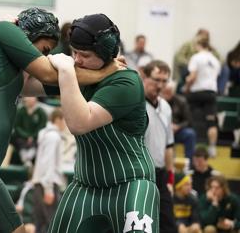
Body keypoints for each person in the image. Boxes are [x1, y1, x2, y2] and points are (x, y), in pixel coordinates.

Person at [0, 8, 121, 233]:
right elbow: (50, 75)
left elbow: (53, 84)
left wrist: (96, 76)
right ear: (27, 37)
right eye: (44, 50)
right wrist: (109, 72)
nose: (44, 57)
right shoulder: (1, 30)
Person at [45, 14, 158, 233]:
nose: (77, 59)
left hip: (131, 184)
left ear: (107, 54)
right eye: (73, 52)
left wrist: (65, 70)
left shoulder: (126, 81)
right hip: (85, 185)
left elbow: (79, 122)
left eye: (84, 54)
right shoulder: (80, 74)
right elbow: (27, 85)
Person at [142, 60, 177, 233]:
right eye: (156, 80)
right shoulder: (134, 104)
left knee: (169, 225)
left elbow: (169, 145)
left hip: (161, 175)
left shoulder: (166, 107)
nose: (160, 85)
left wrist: (170, 179)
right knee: (140, 223)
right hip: (139, 173)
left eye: (164, 81)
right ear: (144, 77)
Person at [185, 35, 221, 157]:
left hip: (197, 93)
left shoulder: (196, 57)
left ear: (198, 45)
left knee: (192, 118)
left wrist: (187, 87)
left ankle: (193, 145)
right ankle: (212, 147)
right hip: (211, 93)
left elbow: (193, 77)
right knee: (211, 121)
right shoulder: (215, 60)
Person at [31, 108, 65, 233]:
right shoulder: (53, 137)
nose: (65, 124)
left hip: (40, 184)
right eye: (64, 120)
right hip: (47, 185)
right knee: (52, 223)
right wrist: (49, 189)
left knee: (40, 224)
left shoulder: (45, 134)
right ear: (58, 120)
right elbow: (48, 163)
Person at [173, 29, 221, 94]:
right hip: (188, 67)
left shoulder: (208, 52)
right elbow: (179, 58)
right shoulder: (188, 45)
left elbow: (192, 77)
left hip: (199, 83)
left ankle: (220, 91)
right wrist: (190, 63)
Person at [161, 82, 197, 161]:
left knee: (190, 134)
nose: (166, 94)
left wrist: (178, 127)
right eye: (165, 91)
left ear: (173, 92)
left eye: (169, 92)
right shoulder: (157, 101)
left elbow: (188, 121)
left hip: (176, 131)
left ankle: (188, 164)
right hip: (161, 132)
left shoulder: (181, 101)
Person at [11, 97, 47, 166]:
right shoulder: (21, 111)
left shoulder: (41, 112)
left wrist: (32, 136)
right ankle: (26, 160)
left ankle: (28, 159)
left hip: (36, 138)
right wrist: (26, 136)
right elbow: (17, 126)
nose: (28, 100)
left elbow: (42, 127)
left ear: (35, 100)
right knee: (18, 140)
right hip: (21, 137)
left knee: (38, 142)